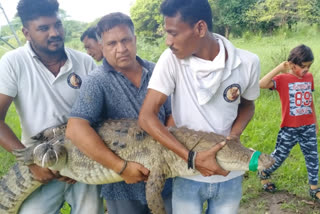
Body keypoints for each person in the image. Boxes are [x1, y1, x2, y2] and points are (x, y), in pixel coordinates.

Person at [138, 0, 261, 213]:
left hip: (230, 174)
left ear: (200, 28)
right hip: (187, 175)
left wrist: (233, 137)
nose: (168, 41)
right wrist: (192, 158)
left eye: (174, 33)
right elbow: (147, 117)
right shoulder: (171, 61)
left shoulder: (247, 62)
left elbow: (247, 105)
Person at [0, 0, 104, 213]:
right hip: (40, 163)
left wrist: (76, 163)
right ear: (26, 32)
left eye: (57, 25)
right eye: (43, 28)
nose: (54, 33)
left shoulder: (84, 62)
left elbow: (101, 117)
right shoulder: (13, 62)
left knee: (90, 210)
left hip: (83, 159)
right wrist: (31, 163)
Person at [66, 12, 173, 214]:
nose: (121, 49)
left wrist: (162, 153)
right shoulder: (96, 81)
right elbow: (75, 128)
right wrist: (121, 167)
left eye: (126, 40)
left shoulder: (158, 71)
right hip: (121, 185)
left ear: (135, 39)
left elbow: (172, 114)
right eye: (112, 43)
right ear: (102, 47)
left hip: (165, 178)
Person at [259, 44, 320, 201]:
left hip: (308, 127)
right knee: (279, 157)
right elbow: (262, 84)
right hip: (289, 128)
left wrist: (315, 122)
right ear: (292, 64)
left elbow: (309, 101)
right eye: (303, 66)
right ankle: (264, 172)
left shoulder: (309, 77)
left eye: (309, 66)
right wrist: (280, 67)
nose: (307, 69)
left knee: (313, 157)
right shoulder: (283, 79)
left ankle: (314, 188)